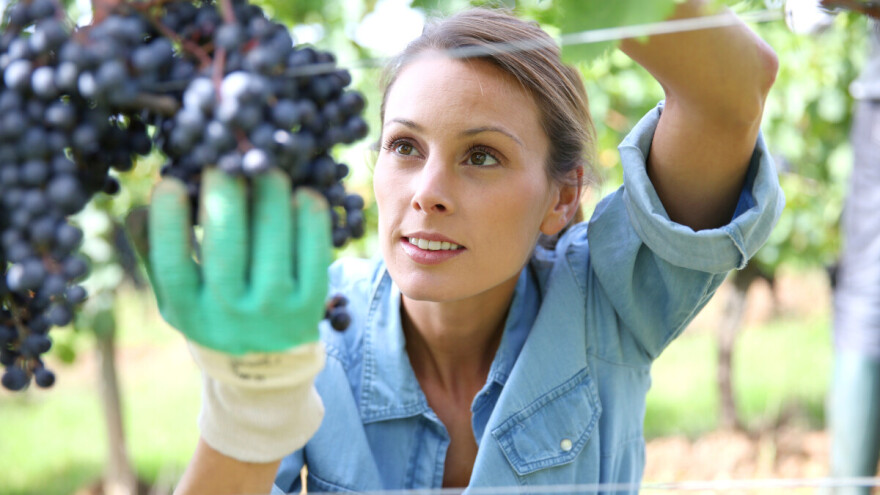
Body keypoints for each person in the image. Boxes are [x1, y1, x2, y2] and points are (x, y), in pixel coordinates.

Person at [133, 1, 782, 493]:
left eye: (481, 155)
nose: (428, 192)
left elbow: (731, 95)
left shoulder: (608, 300)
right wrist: (249, 411)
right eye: (405, 147)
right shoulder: (308, 330)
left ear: (561, 198)